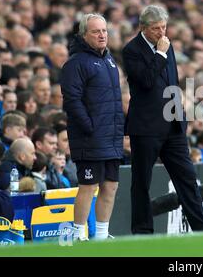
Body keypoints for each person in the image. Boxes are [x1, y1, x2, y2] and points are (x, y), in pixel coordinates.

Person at [122, 5, 203, 234]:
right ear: (143, 28)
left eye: (164, 27)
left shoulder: (166, 44)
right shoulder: (132, 50)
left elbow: (171, 81)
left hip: (172, 124)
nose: (161, 32)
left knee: (187, 178)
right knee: (142, 181)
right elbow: (146, 81)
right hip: (146, 127)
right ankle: (142, 231)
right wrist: (160, 54)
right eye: (155, 28)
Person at [60, 13, 125, 241]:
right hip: (90, 137)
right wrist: (89, 127)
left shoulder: (109, 60)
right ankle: (79, 234)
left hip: (111, 136)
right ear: (84, 35)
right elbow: (71, 100)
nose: (102, 35)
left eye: (104, 30)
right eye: (96, 31)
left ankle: (102, 235)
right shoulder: (76, 63)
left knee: (111, 186)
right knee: (88, 186)